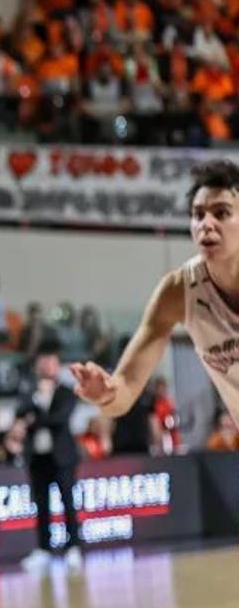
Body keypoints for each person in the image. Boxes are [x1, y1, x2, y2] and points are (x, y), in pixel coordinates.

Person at [73, 160, 239, 444]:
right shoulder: (178, 290)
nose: (206, 224)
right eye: (198, 215)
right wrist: (106, 394)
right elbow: (124, 391)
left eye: (221, 213)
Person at [17, 342, 82, 571]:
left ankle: (73, 547)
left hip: (62, 457)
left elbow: (59, 419)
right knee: (41, 505)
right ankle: (44, 549)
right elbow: (20, 412)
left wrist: (37, 415)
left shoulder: (66, 392)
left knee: (68, 502)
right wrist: (35, 409)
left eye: (51, 361)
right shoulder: (29, 391)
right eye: (43, 361)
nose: (47, 366)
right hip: (38, 457)